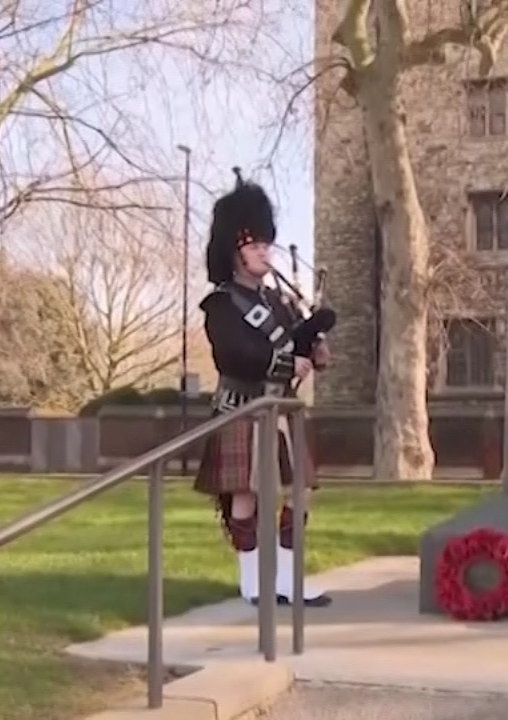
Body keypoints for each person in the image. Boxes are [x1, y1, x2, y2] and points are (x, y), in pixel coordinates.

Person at [193, 170, 332, 608]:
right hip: (242, 408)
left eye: (265, 245)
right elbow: (234, 356)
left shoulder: (278, 301)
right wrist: (295, 359)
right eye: (255, 246)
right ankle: (253, 582)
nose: (263, 253)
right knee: (245, 494)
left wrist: (315, 339)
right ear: (233, 253)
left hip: (282, 410)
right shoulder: (220, 304)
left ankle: (289, 579)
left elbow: (296, 344)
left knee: (299, 490)